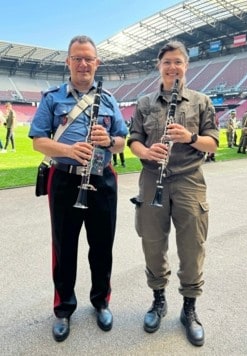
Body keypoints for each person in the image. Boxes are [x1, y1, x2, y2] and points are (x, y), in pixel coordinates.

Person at [28, 35, 128, 342]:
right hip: (65, 179)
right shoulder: (52, 98)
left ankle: (101, 302)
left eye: (89, 58)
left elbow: (123, 140)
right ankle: (64, 309)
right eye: (77, 58)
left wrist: (108, 141)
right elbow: (37, 140)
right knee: (64, 247)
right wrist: (69, 151)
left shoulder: (110, 100)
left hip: (102, 179)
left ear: (97, 63)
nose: (83, 64)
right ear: (68, 62)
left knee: (102, 247)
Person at [128, 41, 219, 347]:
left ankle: (189, 309)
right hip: (152, 178)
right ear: (159, 65)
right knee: (152, 244)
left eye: (178, 62)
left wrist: (191, 137)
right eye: (167, 61)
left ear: (186, 66)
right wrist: (147, 151)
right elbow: (134, 141)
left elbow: (213, 144)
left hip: (188, 180)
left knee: (192, 247)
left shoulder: (201, 101)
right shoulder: (144, 103)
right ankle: (158, 300)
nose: (172, 67)